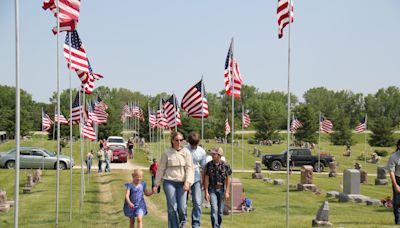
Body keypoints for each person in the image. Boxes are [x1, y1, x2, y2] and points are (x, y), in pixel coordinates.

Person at [153, 131, 194, 228]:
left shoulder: (186, 153)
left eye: (181, 140)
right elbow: (161, 169)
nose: (179, 142)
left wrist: (187, 182)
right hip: (169, 182)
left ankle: (181, 224)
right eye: (176, 140)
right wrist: (156, 184)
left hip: (182, 183)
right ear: (172, 141)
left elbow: (189, 168)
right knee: (172, 207)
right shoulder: (167, 153)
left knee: (182, 208)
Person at [204, 147, 232, 228]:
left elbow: (228, 179)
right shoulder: (208, 165)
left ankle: (218, 225)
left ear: (219, 155)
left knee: (220, 212)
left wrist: (227, 192)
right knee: (214, 209)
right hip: (212, 189)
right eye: (212, 153)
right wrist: (206, 191)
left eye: (214, 154)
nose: (212, 155)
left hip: (222, 190)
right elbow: (206, 179)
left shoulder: (225, 165)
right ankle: (215, 226)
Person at [186, 132, 206, 228]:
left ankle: (196, 224)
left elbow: (204, 168)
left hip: (196, 179)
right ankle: (182, 222)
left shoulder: (202, 152)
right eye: (192, 145)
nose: (194, 146)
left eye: (195, 144)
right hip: (184, 179)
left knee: (197, 203)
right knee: (182, 203)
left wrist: (203, 181)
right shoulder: (184, 150)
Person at [386, 139, 400, 224]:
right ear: (399, 146)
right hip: (398, 179)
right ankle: (398, 221)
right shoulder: (394, 157)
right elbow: (391, 172)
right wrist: (396, 185)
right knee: (398, 202)